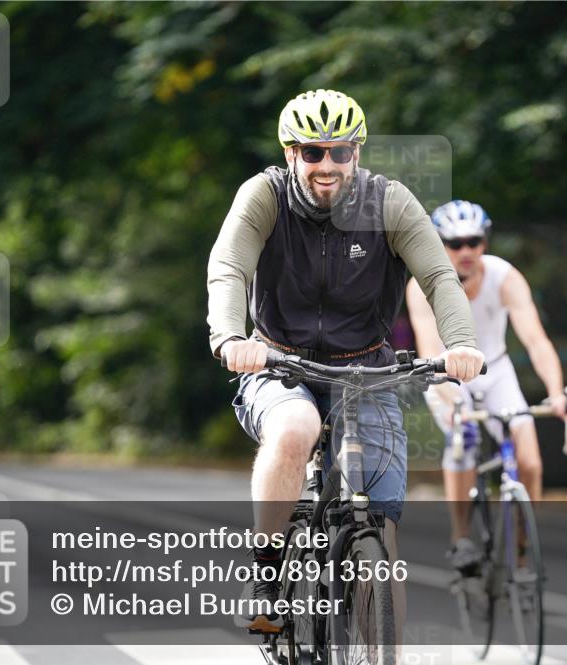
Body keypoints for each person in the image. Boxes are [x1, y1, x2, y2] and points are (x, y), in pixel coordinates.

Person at [206, 89, 485, 633]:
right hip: (278, 360)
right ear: (291, 154)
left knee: (380, 530)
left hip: (367, 369)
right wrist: (229, 337)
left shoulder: (390, 203)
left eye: (339, 151)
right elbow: (229, 266)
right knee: (295, 427)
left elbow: (438, 278)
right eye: (312, 152)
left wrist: (461, 344)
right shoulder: (264, 196)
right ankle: (266, 574)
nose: (326, 165)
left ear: (357, 153)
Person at [405, 200, 567, 571]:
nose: (466, 251)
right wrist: (454, 402)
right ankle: (461, 538)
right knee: (462, 441)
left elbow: (535, 340)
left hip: (495, 370)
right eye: (454, 244)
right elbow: (429, 348)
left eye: (474, 241)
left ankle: (522, 540)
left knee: (530, 460)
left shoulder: (505, 277)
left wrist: (555, 391)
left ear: (484, 241)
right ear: (439, 245)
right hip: (446, 375)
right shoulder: (421, 285)